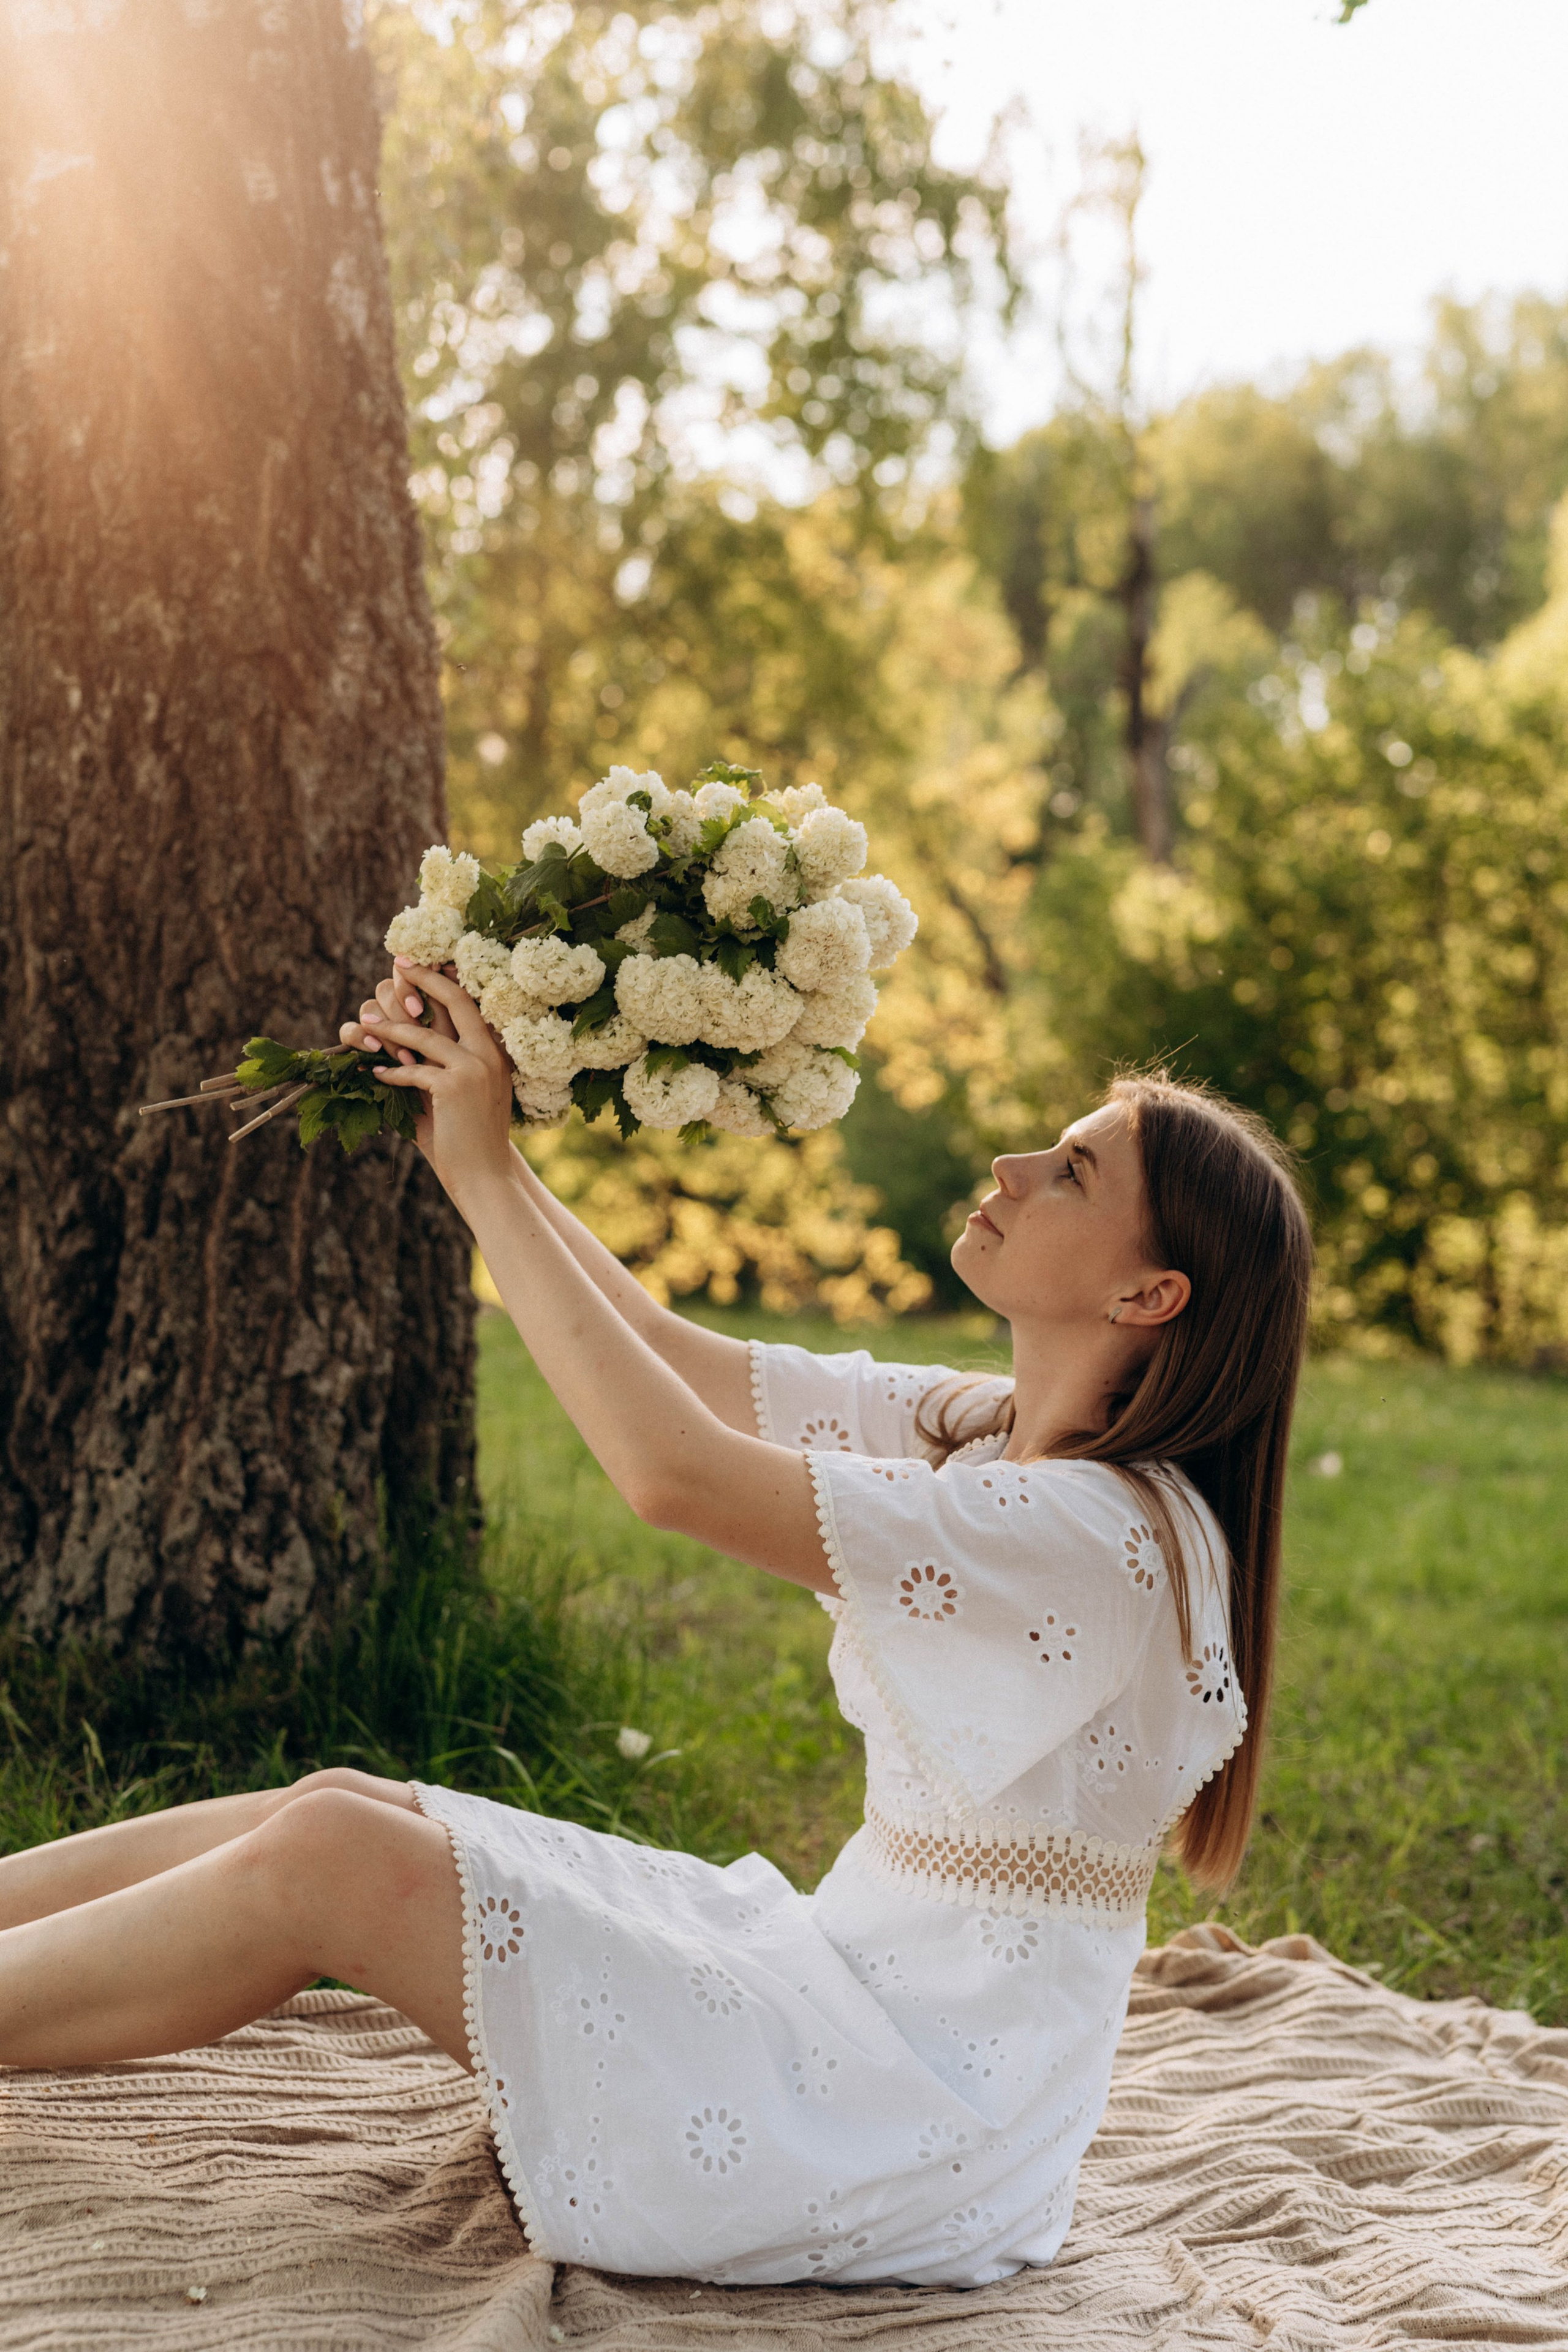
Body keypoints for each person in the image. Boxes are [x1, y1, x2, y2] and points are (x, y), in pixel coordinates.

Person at [0, 954, 1311, 2289]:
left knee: (339, 1855)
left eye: (1073, 1172)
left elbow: (671, 1474)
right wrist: (478, 1142)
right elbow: (679, 1361)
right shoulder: (985, 1433)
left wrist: (488, 1176)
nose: (1013, 1161)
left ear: (1146, 1298)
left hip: (896, 2119)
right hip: (834, 1982)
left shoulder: (1096, 1534)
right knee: (347, 1802)